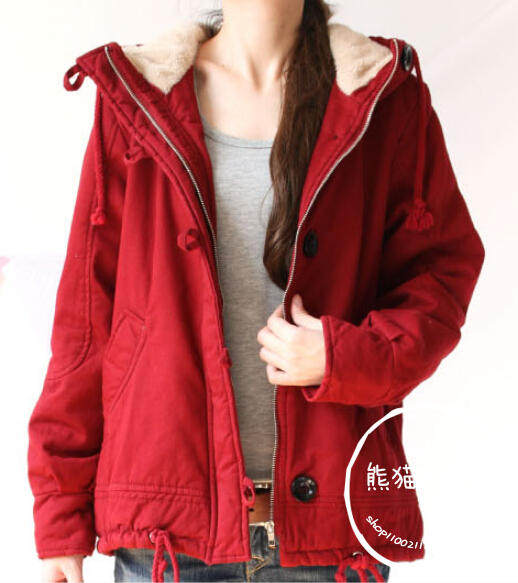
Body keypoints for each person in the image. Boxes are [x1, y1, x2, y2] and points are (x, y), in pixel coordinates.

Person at [27, 1, 485, 582]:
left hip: (329, 539)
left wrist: (343, 357)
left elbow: (440, 279)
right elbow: (87, 321)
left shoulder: (381, 96)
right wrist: (60, 512)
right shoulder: (140, 98)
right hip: (168, 541)